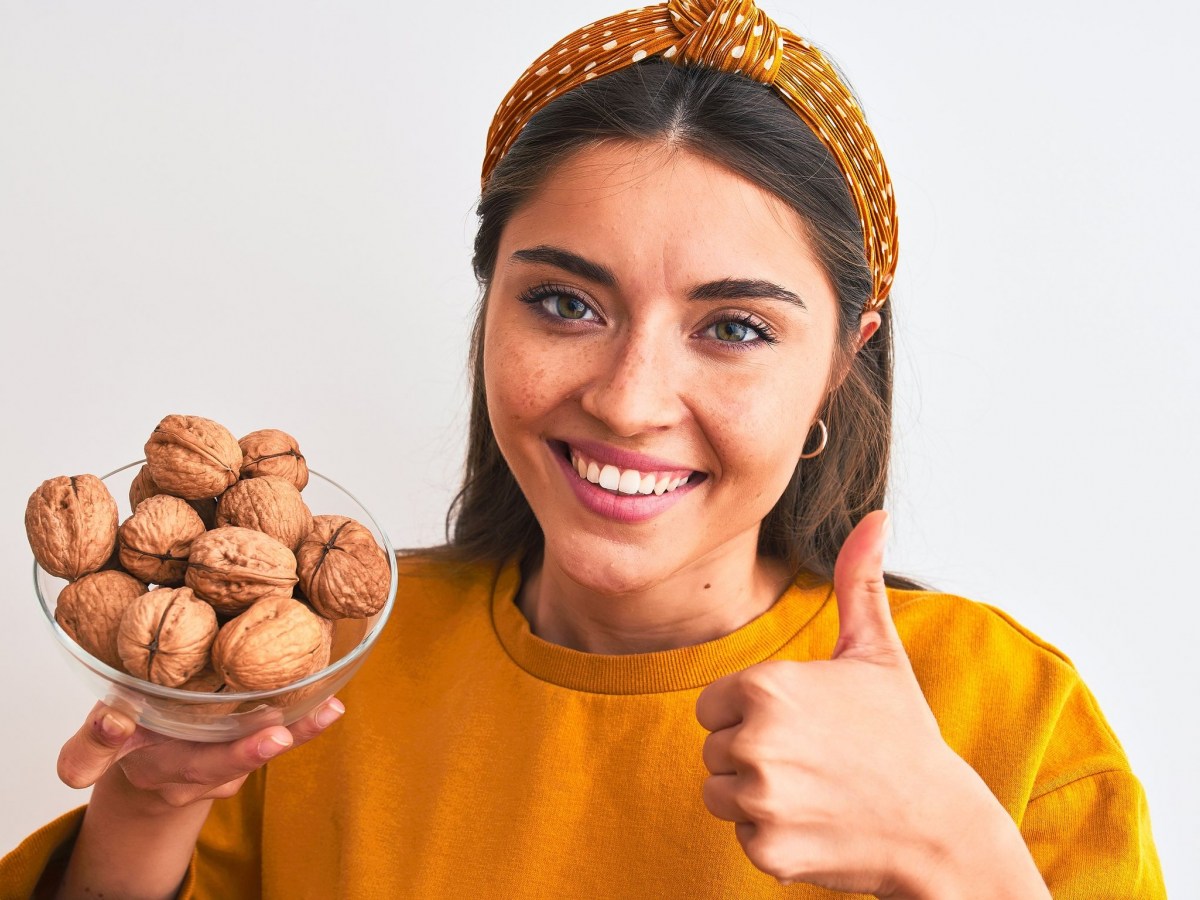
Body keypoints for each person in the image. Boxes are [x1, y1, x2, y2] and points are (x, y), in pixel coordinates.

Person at [1, 1, 1165, 897]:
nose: (628, 399)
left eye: (736, 328)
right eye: (565, 304)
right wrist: (148, 808)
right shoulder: (324, 672)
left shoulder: (1009, 717)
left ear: (844, 359)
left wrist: (957, 855)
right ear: (489, 300)